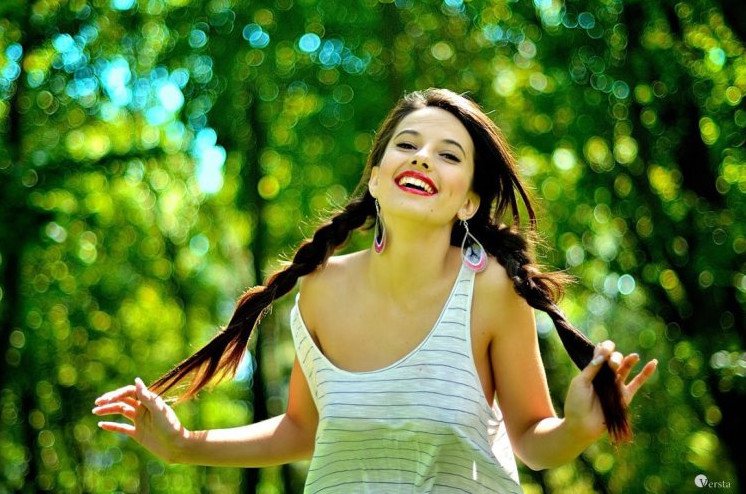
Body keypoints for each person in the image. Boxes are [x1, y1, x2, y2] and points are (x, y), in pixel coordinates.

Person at [93, 88, 658, 492]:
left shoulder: (489, 290)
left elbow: (532, 440)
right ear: (377, 179)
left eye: (449, 154)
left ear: (468, 202)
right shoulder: (320, 290)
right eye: (407, 145)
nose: (423, 157)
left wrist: (577, 427)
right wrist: (183, 445)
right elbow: (302, 430)